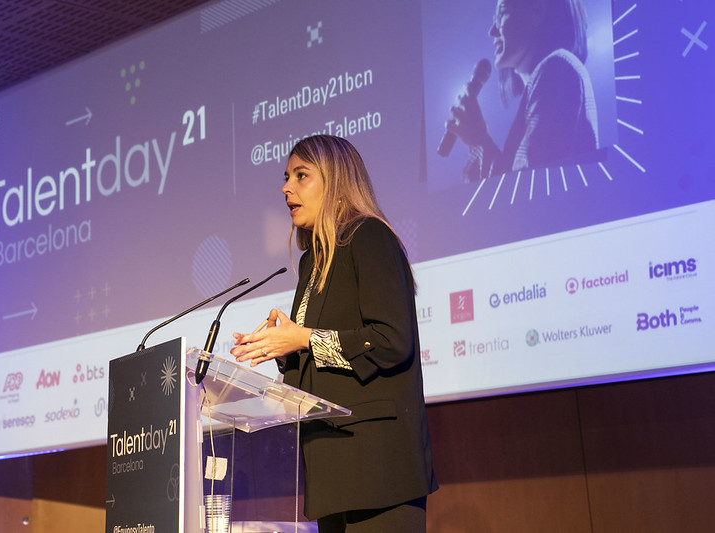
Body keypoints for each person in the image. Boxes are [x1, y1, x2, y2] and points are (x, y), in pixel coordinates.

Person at [230, 135, 437, 532]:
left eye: (301, 175)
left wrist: (303, 338)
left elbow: (392, 341)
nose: (286, 188)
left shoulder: (370, 236)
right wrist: (284, 351)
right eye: (286, 177)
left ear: (336, 180)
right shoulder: (311, 263)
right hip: (330, 466)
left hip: (378, 468)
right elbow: (320, 359)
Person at [446, 0, 599, 182]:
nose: (492, 31)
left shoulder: (557, 67)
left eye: (502, 14)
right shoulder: (545, 80)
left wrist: (478, 139)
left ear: (536, 12)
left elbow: (531, 186)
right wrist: (477, 140)